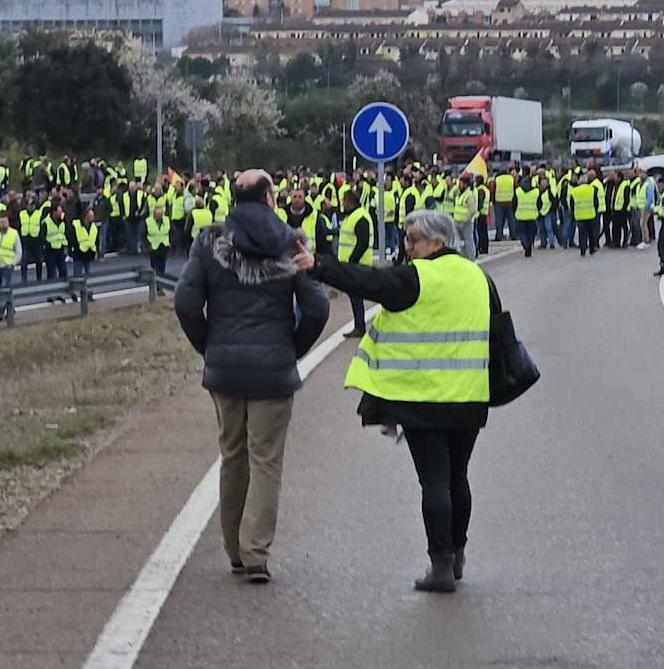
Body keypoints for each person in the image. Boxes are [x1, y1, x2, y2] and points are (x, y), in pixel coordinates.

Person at [297, 209, 496, 593]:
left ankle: (439, 567)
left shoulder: (415, 277)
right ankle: (456, 556)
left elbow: (367, 280)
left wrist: (317, 265)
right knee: (458, 475)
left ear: (437, 243)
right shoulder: (478, 275)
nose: (407, 247)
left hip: (425, 398)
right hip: (470, 396)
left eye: (413, 240)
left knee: (435, 480)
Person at [174, 169, 328, 585]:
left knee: (233, 456)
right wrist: (292, 348)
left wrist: (207, 345)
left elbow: (186, 300)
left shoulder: (210, 242)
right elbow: (317, 308)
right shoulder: (291, 242)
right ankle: (256, 552)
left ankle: (234, 552)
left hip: (224, 367)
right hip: (273, 370)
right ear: (269, 198)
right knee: (266, 461)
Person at [336, 190, 373, 337]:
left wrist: (352, 261)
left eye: (344, 200)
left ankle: (360, 326)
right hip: (351, 264)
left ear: (350, 201)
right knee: (355, 296)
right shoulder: (351, 216)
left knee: (356, 296)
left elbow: (362, 242)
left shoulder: (360, 217)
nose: (342, 203)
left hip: (357, 264)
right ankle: (359, 325)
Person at [0, 211, 21, 322]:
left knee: (4, 287)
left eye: (5, 221)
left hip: (7, 265)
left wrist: (13, 263)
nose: (3, 224)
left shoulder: (14, 233)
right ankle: (11, 308)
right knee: (1, 288)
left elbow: (19, 251)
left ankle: (1, 311)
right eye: (1, 222)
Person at [512, 175, 539, 258]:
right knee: (530, 234)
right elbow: (539, 203)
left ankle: (525, 245)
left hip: (520, 216)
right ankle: (529, 248)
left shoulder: (518, 191)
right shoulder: (536, 191)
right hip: (532, 216)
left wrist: (514, 212)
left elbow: (514, 203)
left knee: (522, 233)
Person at [146, 202, 172, 277]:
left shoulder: (167, 220)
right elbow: (142, 235)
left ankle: (160, 284)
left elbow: (172, 232)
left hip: (164, 245)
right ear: (154, 214)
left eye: (160, 214)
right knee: (154, 267)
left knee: (162, 266)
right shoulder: (148, 221)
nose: (159, 216)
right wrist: (148, 245)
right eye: (157, 214)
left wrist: (170, 241)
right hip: (153, 247)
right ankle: (156, 284)